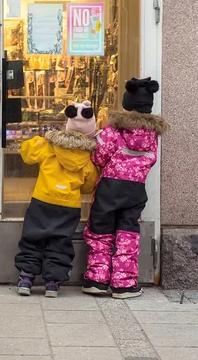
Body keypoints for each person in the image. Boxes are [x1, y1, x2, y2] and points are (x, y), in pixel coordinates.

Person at [82, 78, 169, 299]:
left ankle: (97, 279)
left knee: (101, 231)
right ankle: (124, 284)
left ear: (126, 104)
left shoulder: (114, 130)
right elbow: (151, 160)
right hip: (135, 189)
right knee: (128, 233)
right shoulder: (152, 135)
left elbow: (99, 155)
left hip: (110, 187)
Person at [15, 101, 99, 298]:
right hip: (69, 206)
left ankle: (26, 277)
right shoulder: (86, 158)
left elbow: (27, 153)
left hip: (42, 199)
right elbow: (89, 185)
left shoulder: (50, 146)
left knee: (33, 237)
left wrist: (39, 140)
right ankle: (53, 282)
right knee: (60, 241)